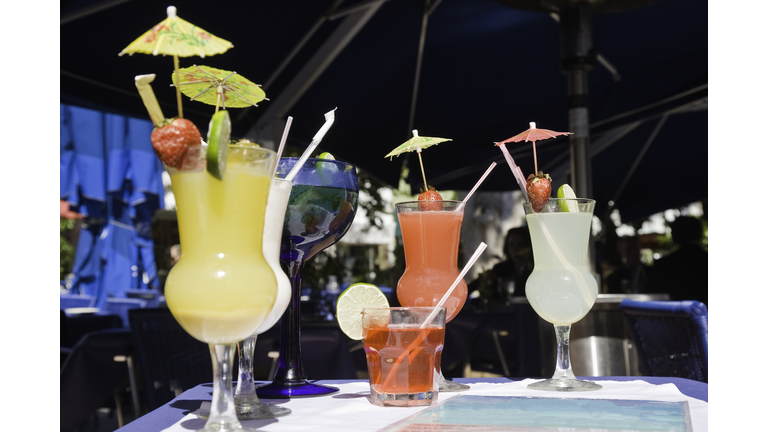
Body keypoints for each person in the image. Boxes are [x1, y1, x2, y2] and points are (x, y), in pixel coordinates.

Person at [649, 216, 707, 305]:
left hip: (674, 317)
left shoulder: (663, 264)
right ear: (701, 233)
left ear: (673, 236)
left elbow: (654, 296)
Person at [469, 227, 534, 307]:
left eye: (520, 244)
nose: (516, 249)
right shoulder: (501, 269)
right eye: (511, 245)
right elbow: (474, 285)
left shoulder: (536, 269)